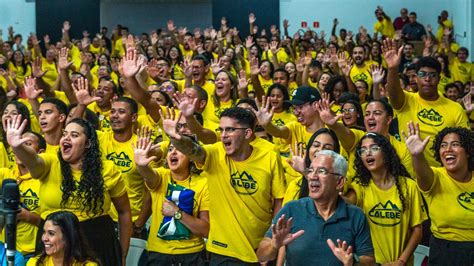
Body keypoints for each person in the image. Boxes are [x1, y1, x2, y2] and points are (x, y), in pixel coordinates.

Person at [161, 106, 285, 264]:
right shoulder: (215, 153)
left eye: (230, 129)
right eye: (221, 130)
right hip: (223, 251)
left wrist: (270, 243)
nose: (224, 135)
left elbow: (278, 202)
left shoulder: (270, 157)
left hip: (259, 250)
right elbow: (193, 150)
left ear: (247, 133)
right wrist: (175, 138)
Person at [6, 116, 132, 266]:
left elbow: (124, 212)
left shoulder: (108, 169)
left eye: (74, 135)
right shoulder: (50, 163)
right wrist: (17, 147)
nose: (66, 138)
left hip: (97, 243)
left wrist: (123, 254)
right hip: (53, 243)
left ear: (88, 143)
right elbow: (33, 160)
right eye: (65, 134)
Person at [256, 150, 375, 265]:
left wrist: (353, 262)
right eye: (311, 170)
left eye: (322, 171)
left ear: (339, 182)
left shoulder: (356, 216)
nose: (313, 176)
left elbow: (369, 260)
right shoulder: (291, 209)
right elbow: (261, 255)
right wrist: (274, 245)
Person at [383, 39, 469, 166]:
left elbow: (465, 144)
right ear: (416, 77)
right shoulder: (407, 100)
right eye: (422, 74)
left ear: (439, 79)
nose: (427, 79)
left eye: (432, 75)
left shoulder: (455, 108)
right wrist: (392, 68)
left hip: (443, 174)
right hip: (408, 174)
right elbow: (393, 92)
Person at [346, 132, 427, 265]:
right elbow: (345, 201)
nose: (368, 153)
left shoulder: (409, 186)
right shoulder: (359, 186)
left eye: (374, 148)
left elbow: (417, 230)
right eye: (363, 150)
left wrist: (401, 261)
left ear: (386, 152)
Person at [134, 128, 209, 265]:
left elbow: (205, 229)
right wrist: (141, 165)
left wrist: (177, 213)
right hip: (159, 254)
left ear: (191, 156)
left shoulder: (203, 183)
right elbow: (149, 175)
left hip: (192, 255)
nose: (173, 152)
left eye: (179, 149)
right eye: (169, 149)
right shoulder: (161, 175)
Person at [403, 123, 474, 265]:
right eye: (443, 145)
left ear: (467, 151)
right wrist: (417, 155)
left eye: (455, 144)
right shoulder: (435, 176)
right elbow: (423, 174)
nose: (448, 149)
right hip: (445, 253)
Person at [27, 211, 99, 266]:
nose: (44, 238)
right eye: (44, 232)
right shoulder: (34, 263)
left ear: (67, 236)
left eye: (51, 233)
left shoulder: (88, 265)